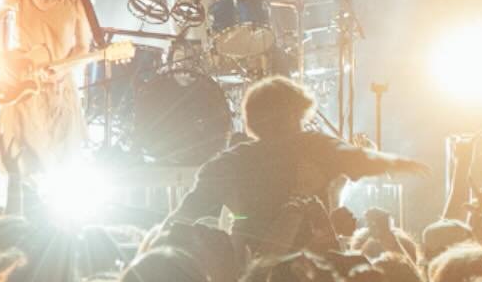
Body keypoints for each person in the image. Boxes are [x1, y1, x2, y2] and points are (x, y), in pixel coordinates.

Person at [172, 75, 428, 250]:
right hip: (315, 267)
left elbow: (183, 220)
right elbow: (359, 159)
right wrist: (399, 164)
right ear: (292, 114)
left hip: (252, 267)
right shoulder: (314, 146)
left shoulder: (230, 161)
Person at [0, 0, 103, 213]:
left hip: (58, 88)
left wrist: (62, 68)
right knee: (18, 166)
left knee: (59, 166)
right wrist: (0, 63)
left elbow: (83, 46)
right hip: (20, 89)